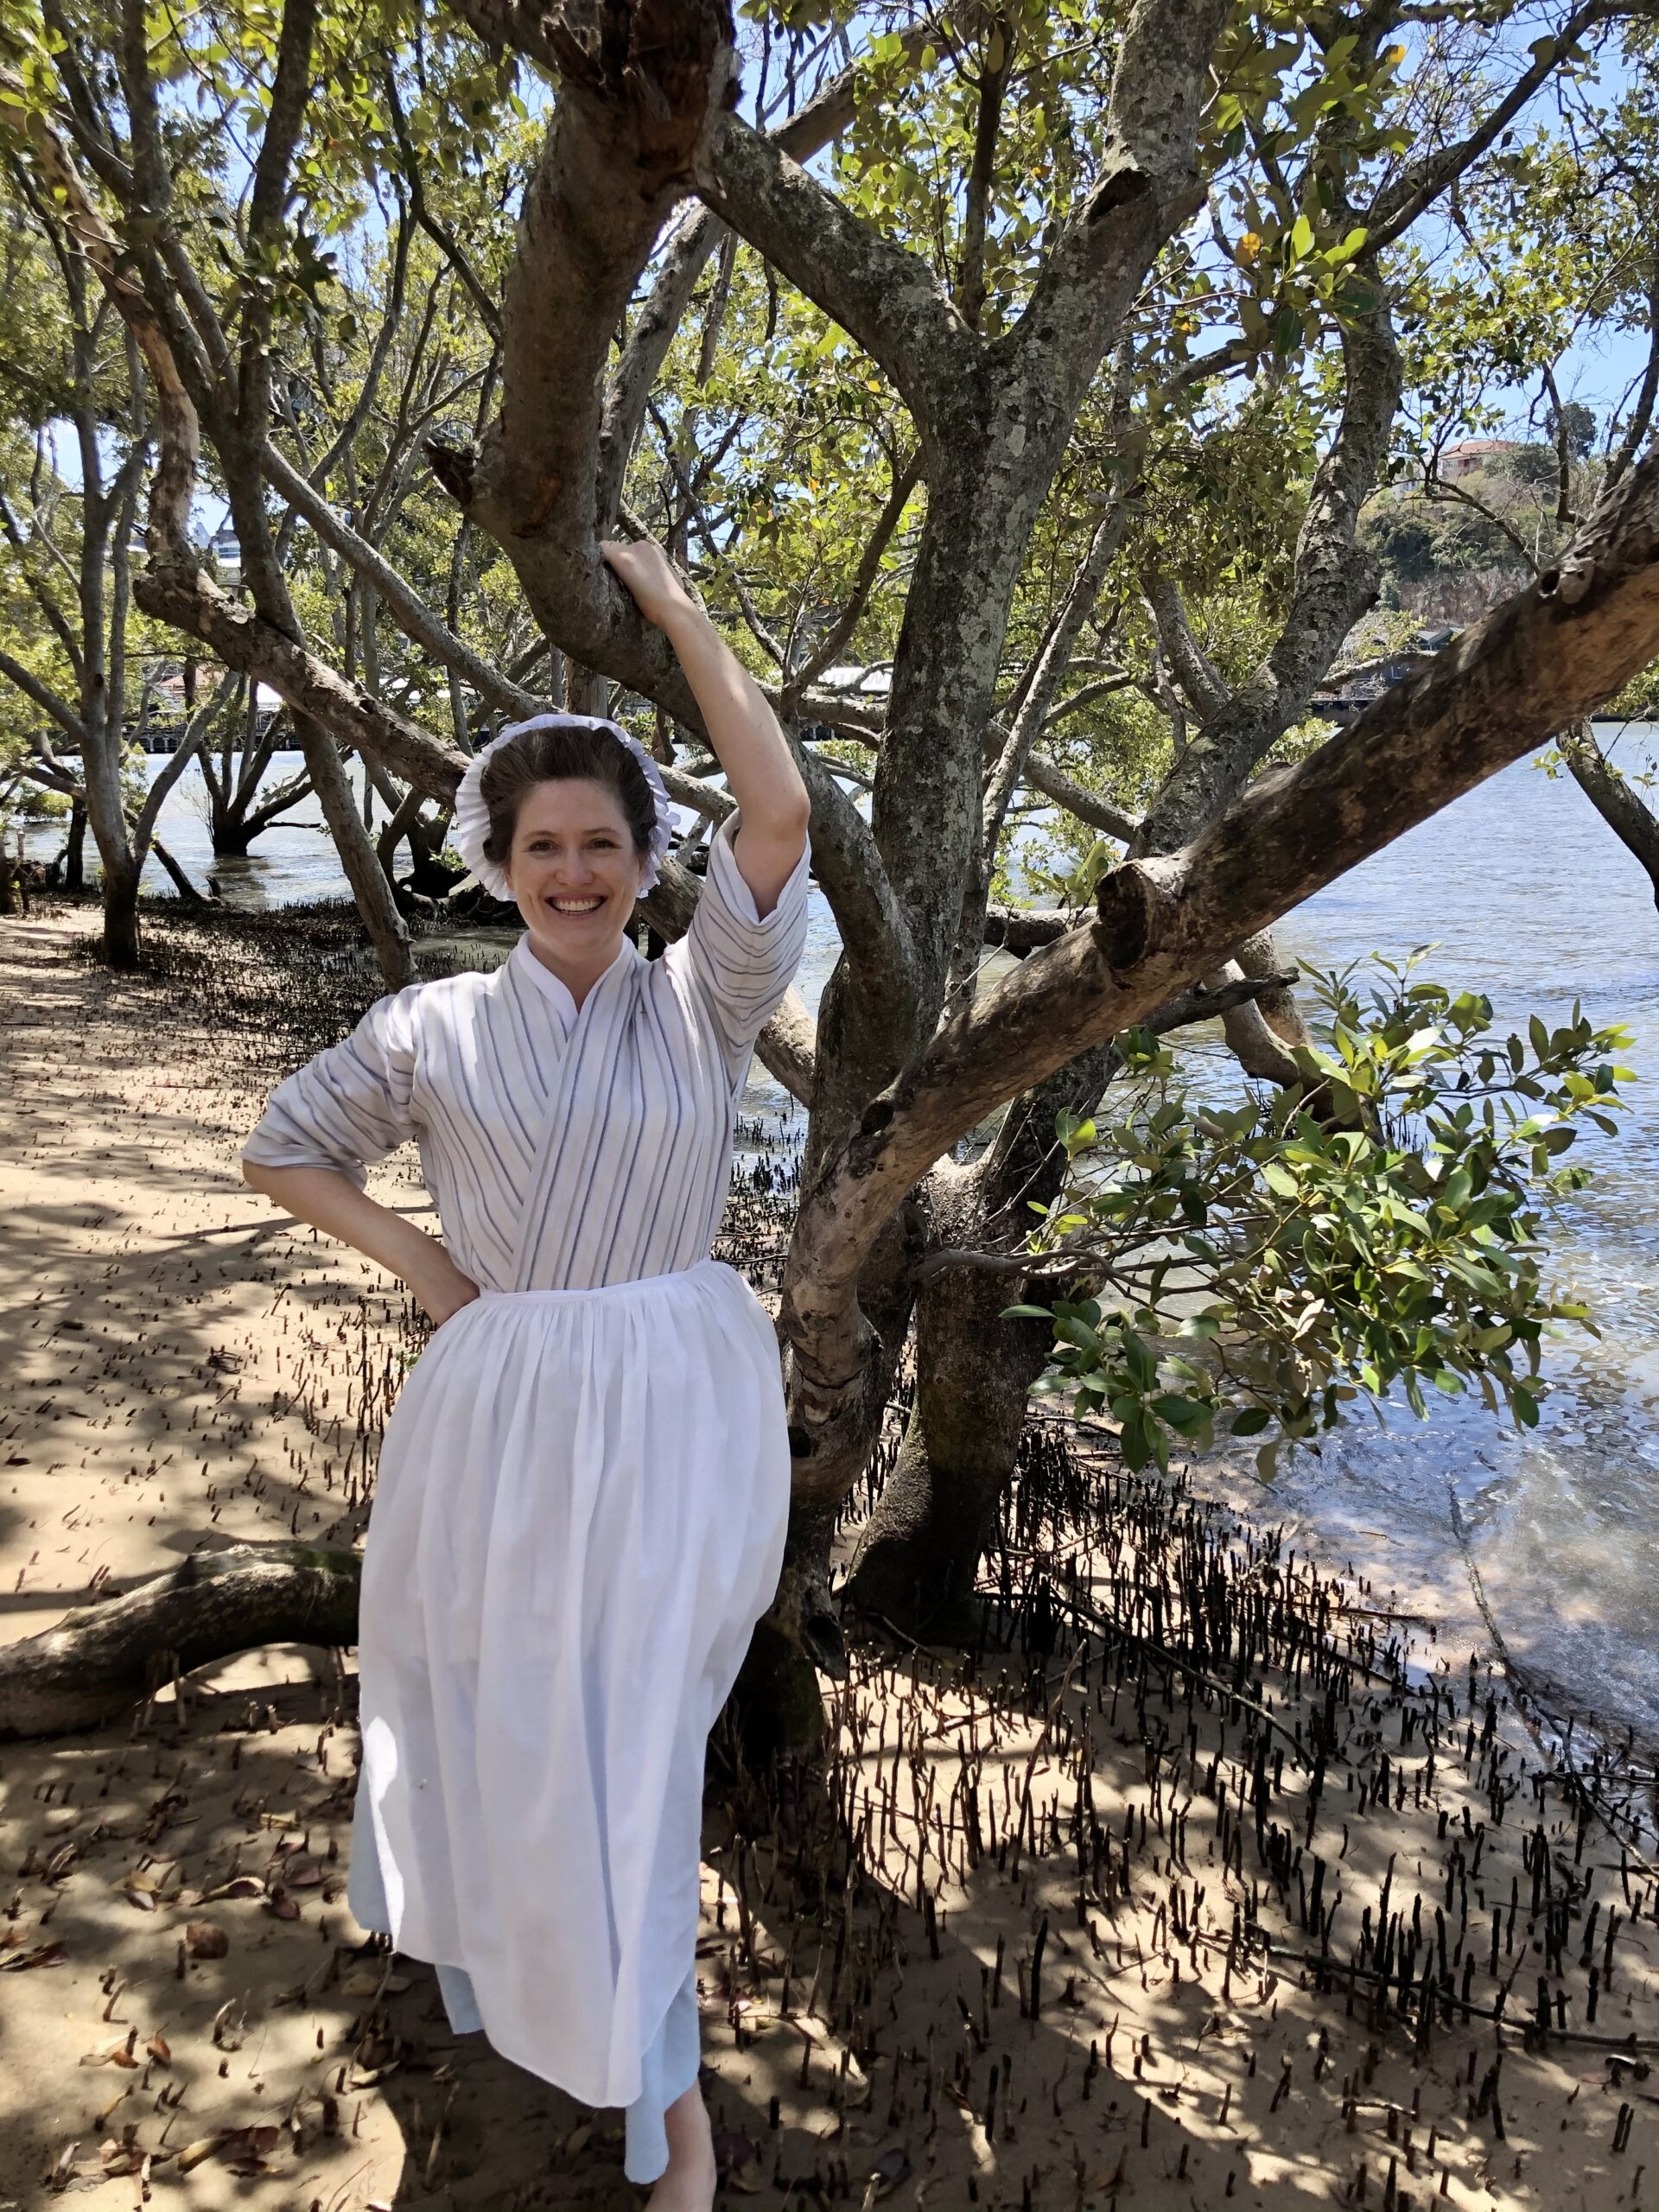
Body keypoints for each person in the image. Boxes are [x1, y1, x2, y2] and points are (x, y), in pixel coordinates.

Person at [238, 537, 812, 2210]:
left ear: (644, 863)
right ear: (495, 861)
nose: (573, 869)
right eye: (542, 844)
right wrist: (434, 1272)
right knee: (509, 1711)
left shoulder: (705, 998)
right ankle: (549, 1988)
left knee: (641, 1732)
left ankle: (664, 2092)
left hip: (678, 1393)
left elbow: (775, 819)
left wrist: (686, 621)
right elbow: (288, 1145)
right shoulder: (431, 1024)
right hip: (499, 1411)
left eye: (604, 843)